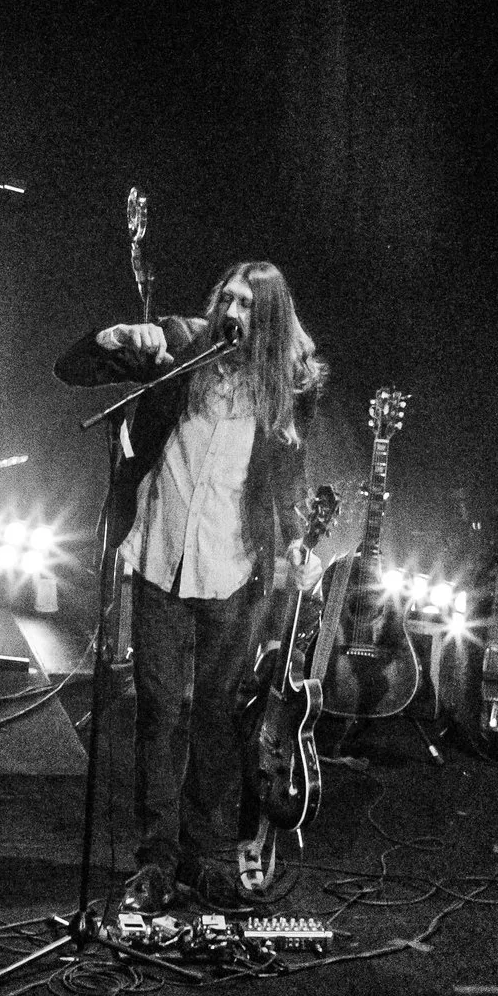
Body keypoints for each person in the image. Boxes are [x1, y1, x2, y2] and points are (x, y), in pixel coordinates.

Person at [73, 260, 325, 910]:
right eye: (228, 299)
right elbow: (72, 369)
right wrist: (113, 339)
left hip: (233, 569)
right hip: (161, 555)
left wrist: (299, 543)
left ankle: (207, 857)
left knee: (216, 716)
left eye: (248, 305)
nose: (233, 313)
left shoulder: (286, 387)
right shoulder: (184, 347)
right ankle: (156, 860)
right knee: (161, 711)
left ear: (270, 321)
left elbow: (289, 478)